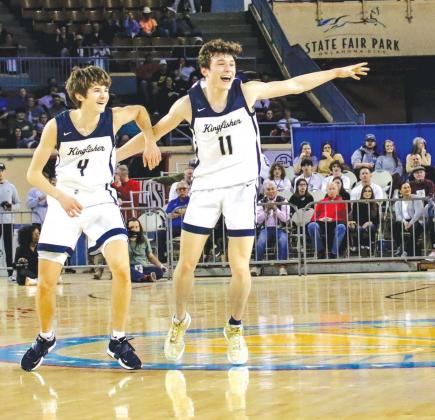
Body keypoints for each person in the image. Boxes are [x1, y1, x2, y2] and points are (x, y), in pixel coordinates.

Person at [117, 39, 368, 365]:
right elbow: (155, 129)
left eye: (231, 64)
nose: (229, 68)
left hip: (240, 189)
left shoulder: (246, 92)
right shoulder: (188, 103)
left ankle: (234, 328)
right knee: (185, 265)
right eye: (221, 63)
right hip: (206, 188)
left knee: (240, 266)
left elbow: (293, 84)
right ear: (205, 70)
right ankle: (179, 322)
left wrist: (336, 71)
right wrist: (115, 155)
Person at [20, 65, 155, 372]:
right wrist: (60, 195)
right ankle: (45, 337)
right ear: (80, 95)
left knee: (122, 270)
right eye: (97, 90)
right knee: (45, 284)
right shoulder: (57, 126)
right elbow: (32, 174)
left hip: (100, 199)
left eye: (106, 89)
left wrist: (149, 140)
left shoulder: (113, 117)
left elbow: (140, 110)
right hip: (65, 199)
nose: (104, 94)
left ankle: (117, 339)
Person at [251, 180, 289, 276]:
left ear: (276, 190)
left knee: (283, 240)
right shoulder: (260, 202)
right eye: (268, 189)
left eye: (272, 189)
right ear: (264, 191)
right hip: (266, 228)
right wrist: (266, 211)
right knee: (261, 241)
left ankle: (282, 267)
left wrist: (276, 209)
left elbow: (285, 219)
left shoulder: (283, 200)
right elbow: (258, 220)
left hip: (280, 228)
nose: (271, 191)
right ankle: (257, 266)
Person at [307, 182, 348, 259]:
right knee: (311, 226)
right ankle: (320, 251)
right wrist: (320, 219)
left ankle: (333, 253)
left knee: (342, 227)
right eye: (330, 189)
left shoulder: (342, 202)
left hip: (335, 224)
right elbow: (313, 218)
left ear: (337, 191)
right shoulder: (321, 201)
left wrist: (332, 219)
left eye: (333, 189)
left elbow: (343, 218)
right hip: (321, 223)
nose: (331, 191)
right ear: (327, 190)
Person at [127, 217, 167, 282]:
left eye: (137, 227)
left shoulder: (144, 238)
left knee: (159, 271)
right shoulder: (123, 240)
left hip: (143, 267)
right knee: (127, 270)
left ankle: (141, 277)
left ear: (140, 228)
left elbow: (150, 256)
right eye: (131, 227)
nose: (134, 229)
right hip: (130, 267)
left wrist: (161, 266)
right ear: (127, 229)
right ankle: (144, 277)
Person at [393, 181, 424, 258]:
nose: (407, 189)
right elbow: (398, 215)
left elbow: (418, 212)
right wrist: (404, 222)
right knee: (395, 225)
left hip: (416, 221)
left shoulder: (416, 198)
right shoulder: (398, 202)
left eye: (408, 187)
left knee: (415, 228)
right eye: (405, 188)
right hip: (404, 222)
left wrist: (410, 223)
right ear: (400, 191)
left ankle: (406, 251)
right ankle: (400, 247)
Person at [0, 162, 20, 277]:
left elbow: (18, 204)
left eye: (1, 170)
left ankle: (10, 273)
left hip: (7, 222)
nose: (0, 173)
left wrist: (10, 207)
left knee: (8, 247)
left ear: (4, 171)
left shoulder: (10, 186)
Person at [348, 185, 379, 253]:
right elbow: (355, 217)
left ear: (372, 193)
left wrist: (369, 223)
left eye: (369, 191)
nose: (367, 193)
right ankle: (361, 246)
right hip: (359, 223)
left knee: (370, 227)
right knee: (359, 228)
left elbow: (377, 220)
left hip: (372, 224)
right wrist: (360, 225)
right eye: (365, 191)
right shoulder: (356, 204)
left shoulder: (375, 205)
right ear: (362, 192)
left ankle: (366, 246)